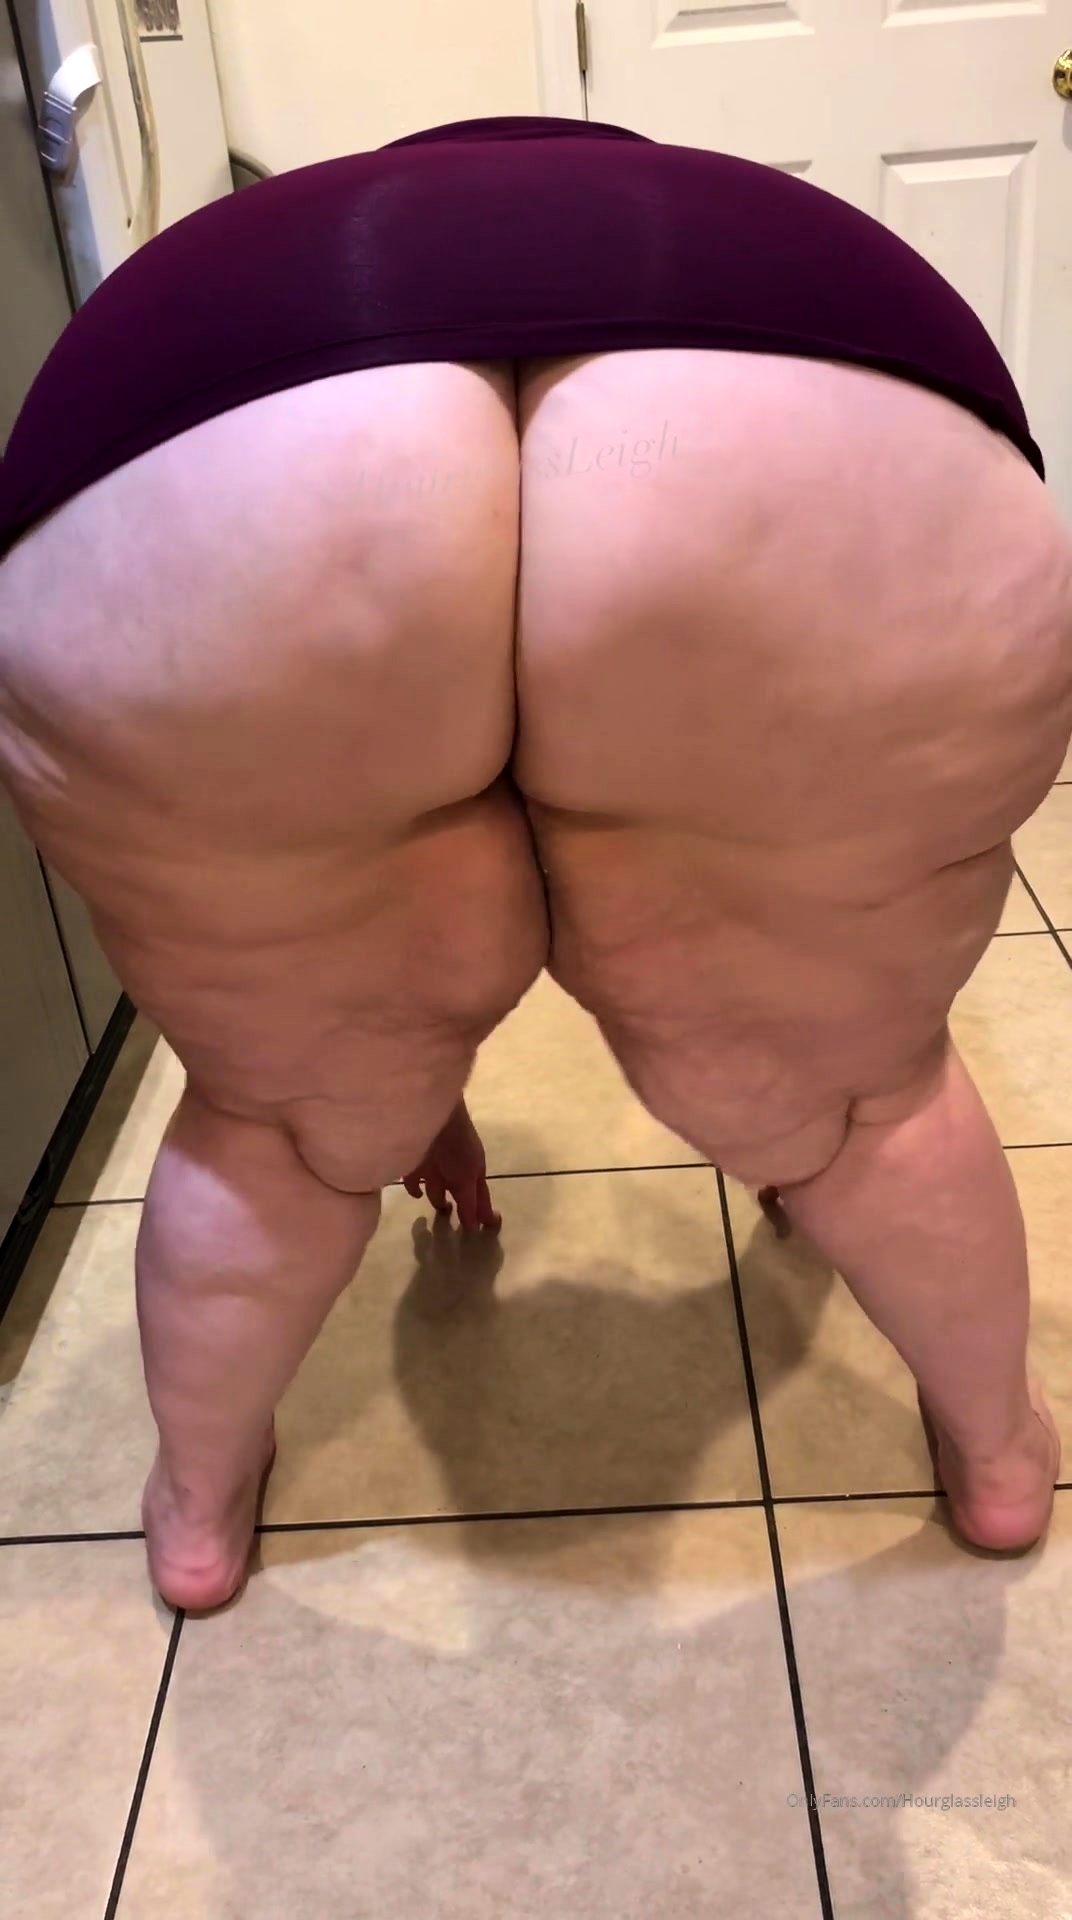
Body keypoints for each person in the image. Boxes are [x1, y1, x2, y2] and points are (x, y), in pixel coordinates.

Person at [1, 116, 1068, 1611]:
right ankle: (1002, 1455)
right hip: (796, 405)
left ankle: (196, 1507)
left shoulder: (272, 229)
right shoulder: (729, 204)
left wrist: (386, 1060)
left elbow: (417, 711)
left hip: (228, 435)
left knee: (278, 1116)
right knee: (864, 1092)